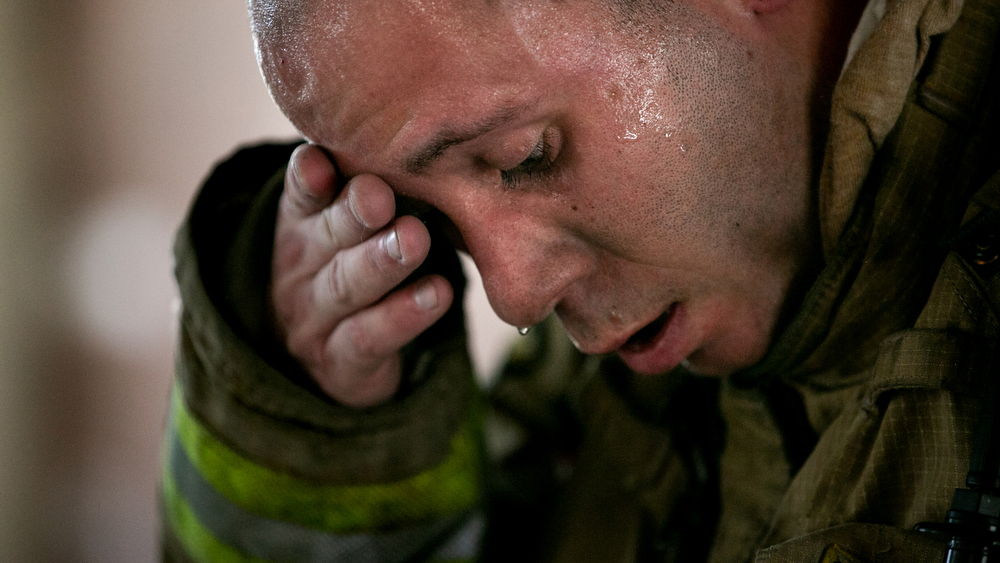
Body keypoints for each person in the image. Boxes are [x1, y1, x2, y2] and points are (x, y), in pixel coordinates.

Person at [160, 0, 1000, 561]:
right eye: (440, 229)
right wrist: (309, 427)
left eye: (525, 157)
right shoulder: (593, 392)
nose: (513, 295)